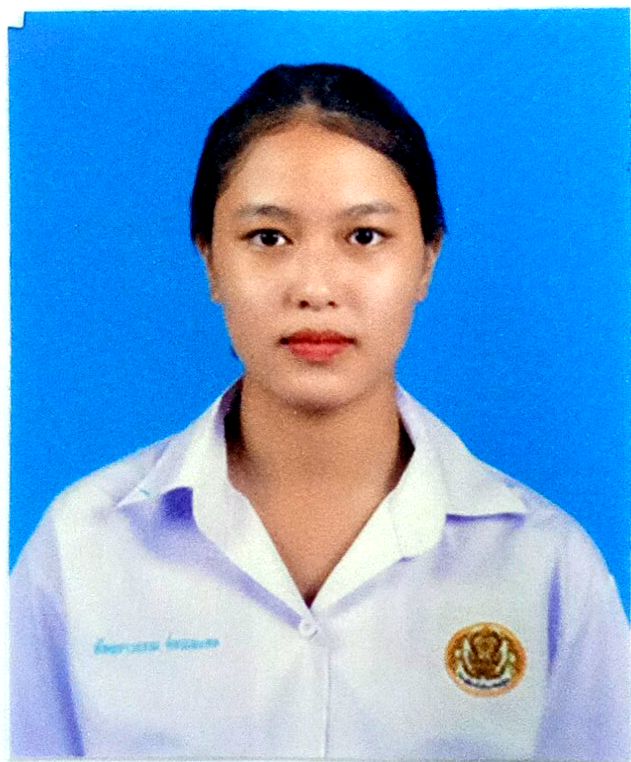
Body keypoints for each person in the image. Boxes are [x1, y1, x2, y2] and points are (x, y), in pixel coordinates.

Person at [10, 63, 629, 760]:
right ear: (210, 260)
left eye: (364, 236)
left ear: (427, 259)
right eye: (268, 238)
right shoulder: (83, 550)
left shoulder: (546, 566)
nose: (314, 287)